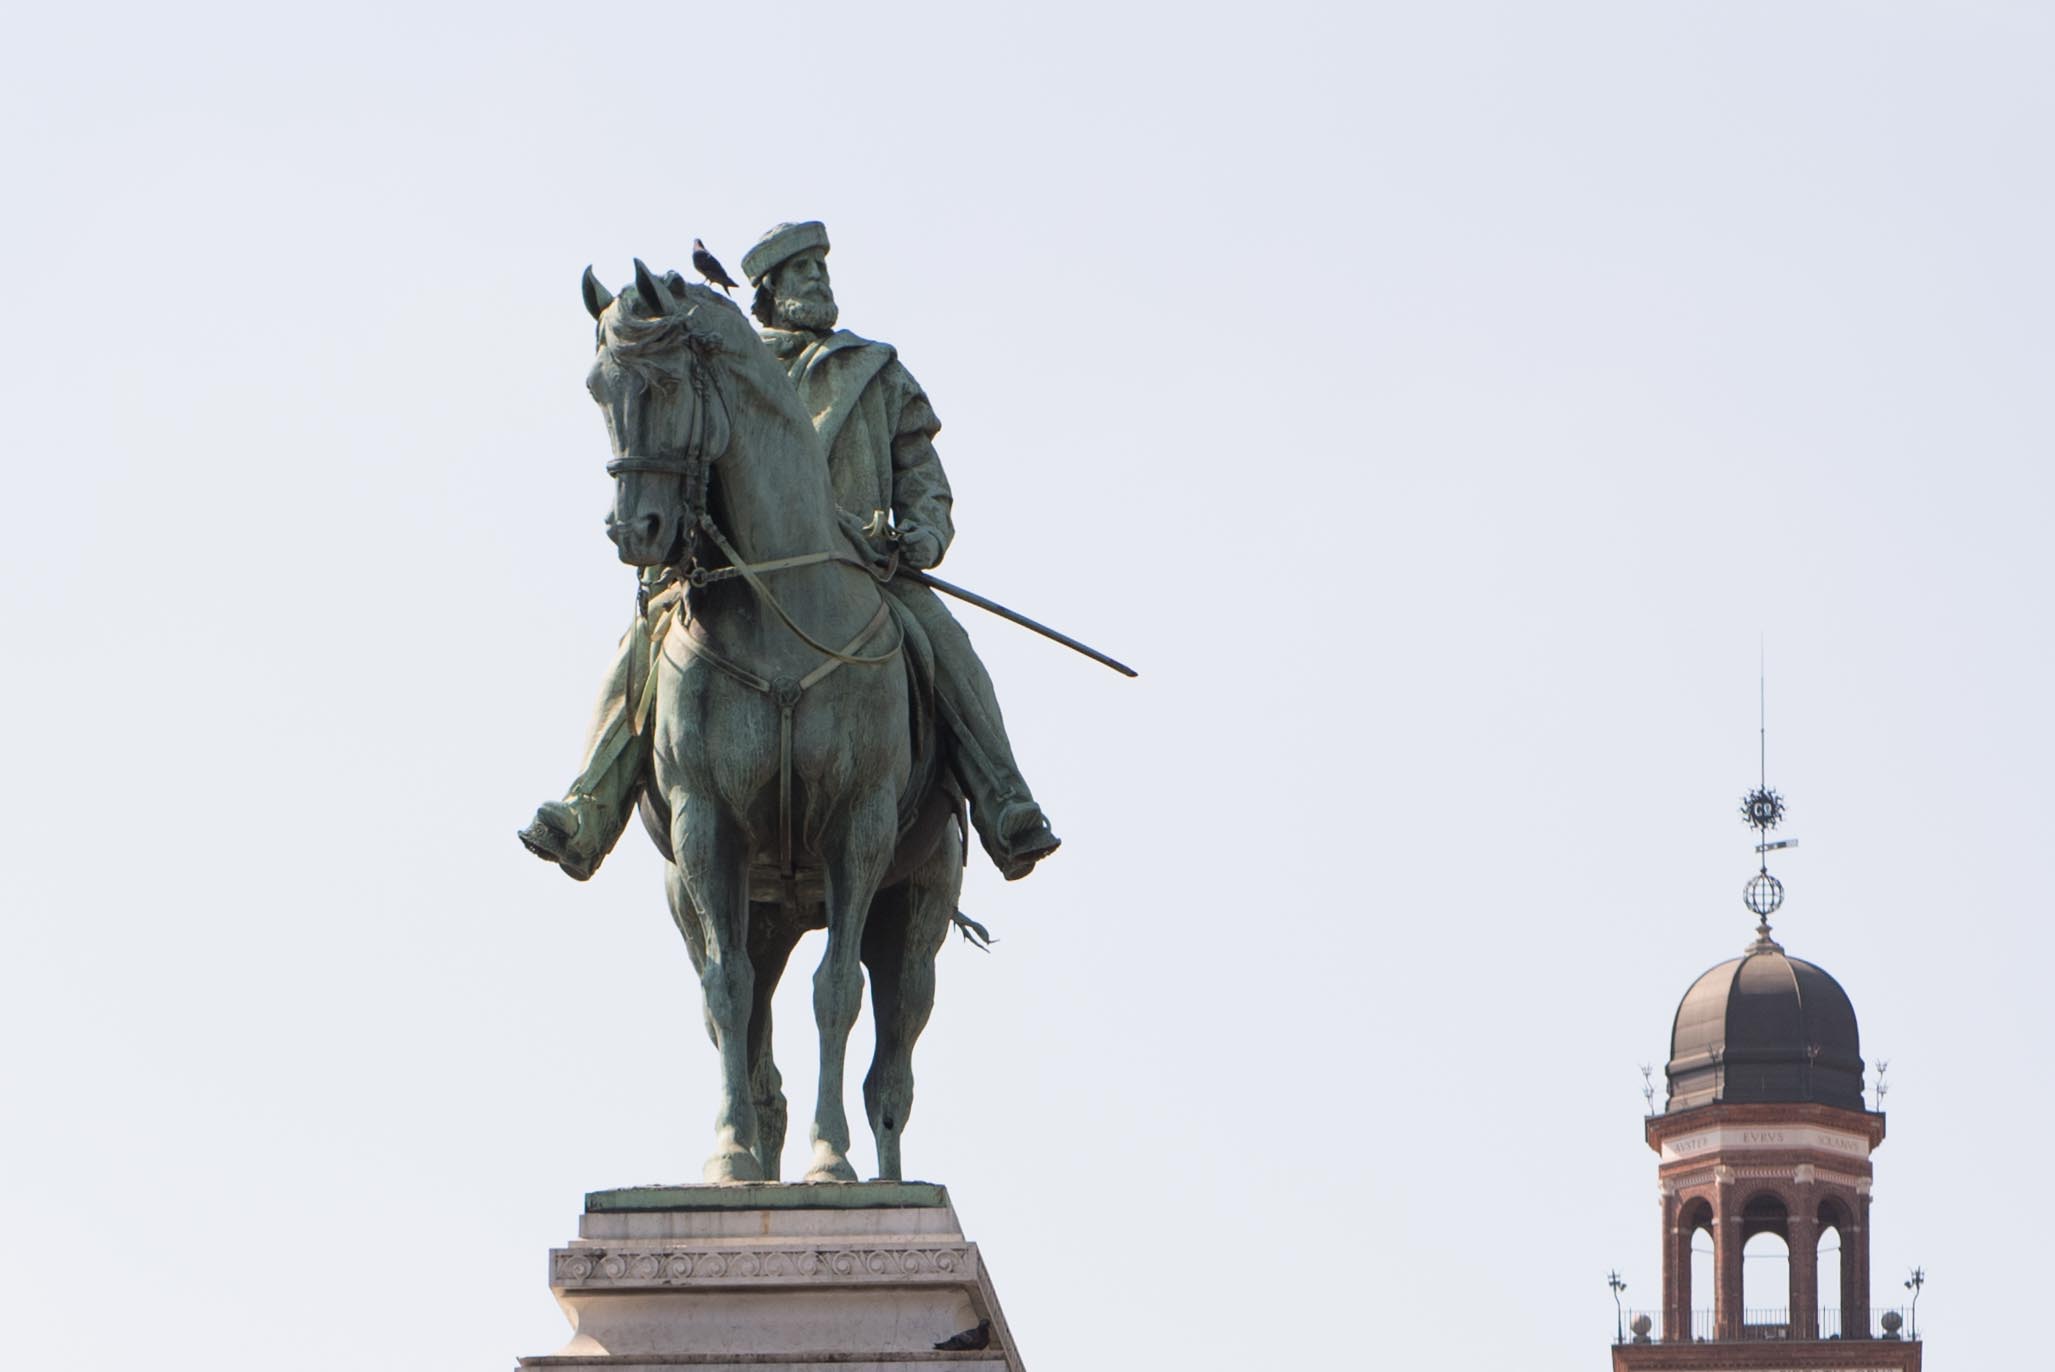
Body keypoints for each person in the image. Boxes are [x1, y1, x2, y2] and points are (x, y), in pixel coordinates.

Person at [520, 221, 1060, 883]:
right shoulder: (724, 364)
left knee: (945, 641)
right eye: (802, 272)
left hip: (866, 567)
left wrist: (921, 534)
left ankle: (1005, 800)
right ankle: (590, 805)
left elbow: (920, 472)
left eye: (821, 269)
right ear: (769, 290)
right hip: (731, 574)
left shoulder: (875, 370)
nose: (818, 283)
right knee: (643, 642)